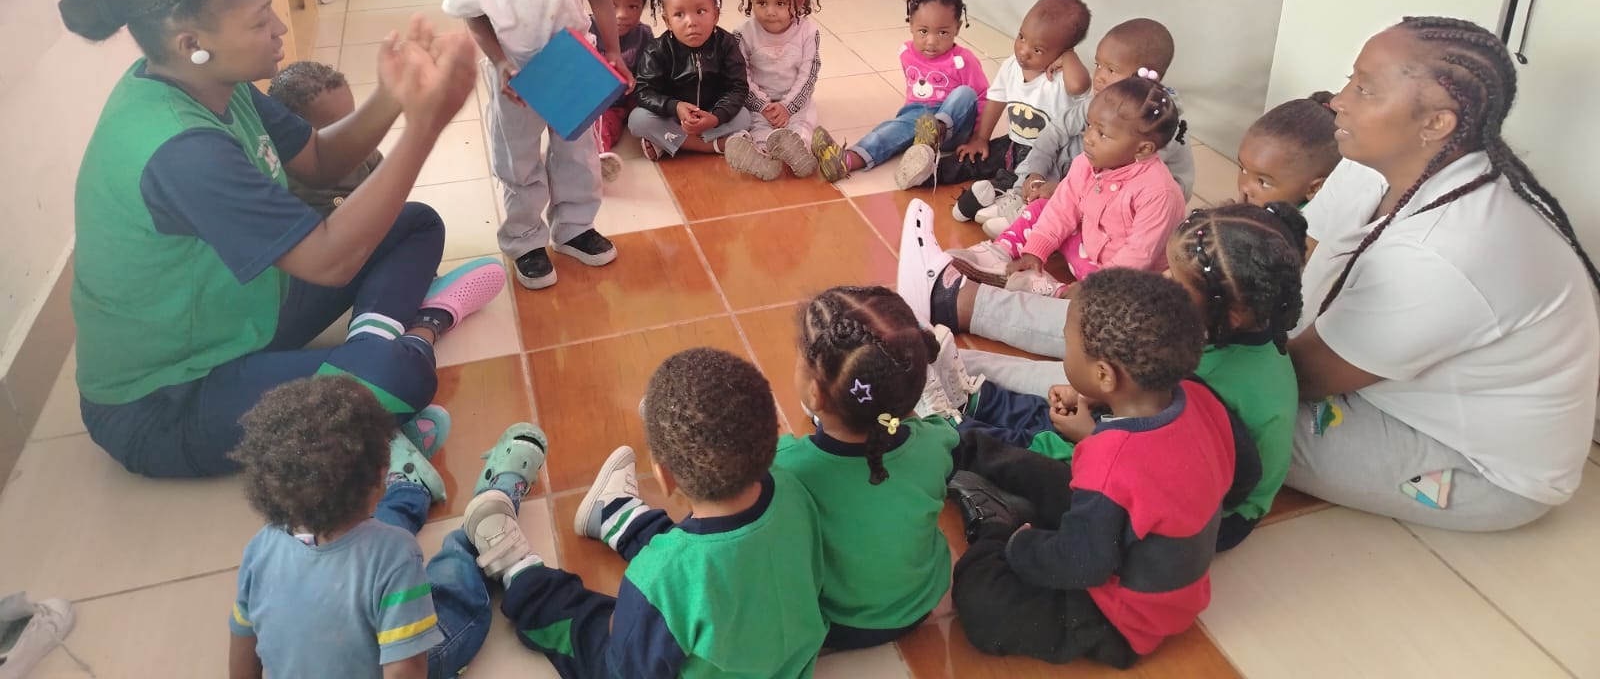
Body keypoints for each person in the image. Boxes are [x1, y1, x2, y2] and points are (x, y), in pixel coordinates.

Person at [62, 0, 502, 479]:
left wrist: (392, 96)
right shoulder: (184, 151)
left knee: (415, 224)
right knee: (401, 379)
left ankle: (370, 344)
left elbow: (318, 159)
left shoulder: (206, 80)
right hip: (168, 401)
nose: (280, 29)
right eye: (259, 20)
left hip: (248, 313)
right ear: (191, 41)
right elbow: (329, 260)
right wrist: (425, 126)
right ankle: (415, 333)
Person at [1289, 16, 1600, 531]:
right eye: (1350, 80)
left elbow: (1303, 377)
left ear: (1436, 123)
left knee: (1211, 420)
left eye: (1365, 89)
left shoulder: (1449, 250)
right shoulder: (1372, 162)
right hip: (1371, 382)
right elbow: (1300, 250)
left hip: (1474, 465)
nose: (1339, 100)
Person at [928, 203, 1304, 552]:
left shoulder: (1225, 389)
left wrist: (1092, 437)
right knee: (1059, 412)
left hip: (1200, 513)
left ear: (1231, 312)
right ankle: (971, 402)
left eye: (1177, 280)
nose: (1163, 280)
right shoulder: (1220, 336)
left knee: (1043, 461)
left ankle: (951, 434)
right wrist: (1095, 404)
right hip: (1152, 446)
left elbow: (1166, 475)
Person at [943, 269, 1254, 666]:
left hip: (1121, 620)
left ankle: (995, 523)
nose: (1065, 353)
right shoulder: (1200, 398)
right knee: (1051, 475)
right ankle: (960, 444)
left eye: (1067, 345)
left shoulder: (1111, 459)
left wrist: (1020, 546)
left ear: (1105, 374)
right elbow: (1247, 474)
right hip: (1143, 559)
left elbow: (1083, 564)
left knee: (981, 602)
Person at [457, 347, 828, 677]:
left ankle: (517, 570)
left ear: (664, 477)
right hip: (783, 660)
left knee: (587, 624)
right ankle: (615, 513)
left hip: (669, 613)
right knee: (707, 539)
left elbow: (628, 666)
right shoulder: (794, 487)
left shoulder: (658, 580)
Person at [226, 375, 547, 679]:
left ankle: (410, 487)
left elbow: (242, 635)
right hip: (389, 664)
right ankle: (484, 525)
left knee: (362, 527)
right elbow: (404, 671)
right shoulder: (393, 554)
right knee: (454, 591)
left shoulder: (261, 546)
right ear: (381, 471)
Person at [444, 0, 629, 292]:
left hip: (573, 64)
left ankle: (575, 228)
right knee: (518, 161)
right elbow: (472, 15)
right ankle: (525, 239)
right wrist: (500, 62)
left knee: (578, 154)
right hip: (515, 73)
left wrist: (612, 50)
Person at [772, 286, 957, 649]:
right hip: (921, 600)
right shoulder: (935, 441)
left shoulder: (788, 467)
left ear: (815, 395)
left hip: (838, 621)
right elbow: (931, 434)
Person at [949, 75, 1188, 298]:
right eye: (1089, 126)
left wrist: (1091, 288)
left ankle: (1056, 291)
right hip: (1087, 245)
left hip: (1120, 275)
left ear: (1143, 149)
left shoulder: (1159, 194)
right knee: (1044, 206)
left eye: (1102, 134)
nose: (1088, 137)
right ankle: (1000, 252)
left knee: (1129, 296)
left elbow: (1137, 256)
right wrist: (1035, 251)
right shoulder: (1086, 162)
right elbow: (1063, 208)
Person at [977, 18, 1196, 231]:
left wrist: (1065, 190)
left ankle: (1038, 217)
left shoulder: (1158, 125)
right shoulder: (1106, 100)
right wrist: (1035, 174)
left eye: (1111, 70)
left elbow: (1123, 180)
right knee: (1058, 146)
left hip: (1134, 198)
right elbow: (1054, 132)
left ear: (1146, 77)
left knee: (1083, 164)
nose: (1098, 77)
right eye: (1098, 65)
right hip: (1099, 174)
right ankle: (1022, 195)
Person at [811, 0, 989, 188]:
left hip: (955, 127)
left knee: (965, 93)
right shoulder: (907, 53)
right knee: (886, 132)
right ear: (911, 24)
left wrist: (978, 138)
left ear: (957, 28)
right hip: (918, 117)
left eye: (942, 32)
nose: (931, 41)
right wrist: (907, 125)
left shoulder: (963, 60)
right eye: (923, 31)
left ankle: (935, 132)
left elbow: (983, 99)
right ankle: (846, 160)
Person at [941, 0, 1091, 206]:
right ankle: (929, 172)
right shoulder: (1011, 65)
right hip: (1013, 142)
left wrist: (1069, 56)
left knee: (1017, 183)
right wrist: (981, 138)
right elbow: (997, 99)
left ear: (1062, 52)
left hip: (1046, 155)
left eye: (1037, 49)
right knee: (973, 159)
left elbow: (1079, 86)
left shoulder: (1063, 78)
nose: (1023, 51)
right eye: (1021, 37)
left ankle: (986, 201)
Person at [627, 0, 754, 161]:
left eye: (700, 11)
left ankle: (670, 141)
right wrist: (674, 106)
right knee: (637, 119)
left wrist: (716, 116)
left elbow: (737, 88)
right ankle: (715, 145)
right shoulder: (657, 50)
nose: (691, 22)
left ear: (715, 14)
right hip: (673, 117)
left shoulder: (726, 44)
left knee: (744, 116)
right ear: (667, 21)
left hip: (712, 113)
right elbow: (644, 91)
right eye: (679, 14)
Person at [725, 0, 827, 181]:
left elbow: (809, 75)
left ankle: (800, 152)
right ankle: (762, 157)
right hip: (759, 103)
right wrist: (762, 106)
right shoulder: (743, 33)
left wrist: (788, 107)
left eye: (780, 3)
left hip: (795, 101)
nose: (770, 11)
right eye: (761, 3)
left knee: (802, 124)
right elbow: (740, 76)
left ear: (799, 1)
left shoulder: (808, 32)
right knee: (757, 126)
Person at [268, 61, 383, 216]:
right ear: (294, 136)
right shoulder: (291, 187)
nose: (350, 133)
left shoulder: (359, 149)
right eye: (337, 128)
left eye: (352, 119)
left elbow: (382, 170)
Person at [592, 0, 653, 183]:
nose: (622, 14)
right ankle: (599, 159)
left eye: (633, 6)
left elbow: (651, 72)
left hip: (632, 98)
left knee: (660, 108)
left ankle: (660, 142)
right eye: (612, 5)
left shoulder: (644, 35)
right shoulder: (587, 31)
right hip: (604, 105)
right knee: (600, 125)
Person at [1235, 92, 1339, 208]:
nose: (1245, 188)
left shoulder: (1310, 218)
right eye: (1243, 169)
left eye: (1264, 183)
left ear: (1314, 189)